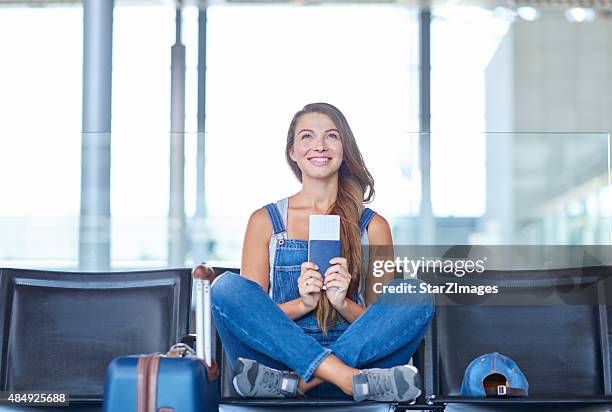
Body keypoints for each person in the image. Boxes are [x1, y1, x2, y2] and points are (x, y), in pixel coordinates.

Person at [211, 102, 435, 402]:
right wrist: (304, 304)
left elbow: (379, 320)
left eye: (331, 136)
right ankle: (342, 378)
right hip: (282, 362)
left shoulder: (373, 226)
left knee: (416, 292)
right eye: (307, 136)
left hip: (324, 370)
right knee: (226, 288)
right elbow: (254, 316)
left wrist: (342, 304)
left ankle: (305, 384)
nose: (319, 145)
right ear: (292, 152)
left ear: (344, 148)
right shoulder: (265, 221)